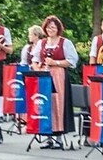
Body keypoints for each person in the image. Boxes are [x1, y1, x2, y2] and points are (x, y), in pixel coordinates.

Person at [31, 15, 79, 148]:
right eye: (48, 27)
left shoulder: (65, 42)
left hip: (58, 75)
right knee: (46, 103)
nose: (51, 29)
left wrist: (55, 62)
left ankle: (58, 136)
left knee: (58, 104)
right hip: (44, 75)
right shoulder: (42, 43)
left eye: (53, 27)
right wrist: (37, 70)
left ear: (58, 28)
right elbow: (34, 59)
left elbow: (71, 61)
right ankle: (48, 136)